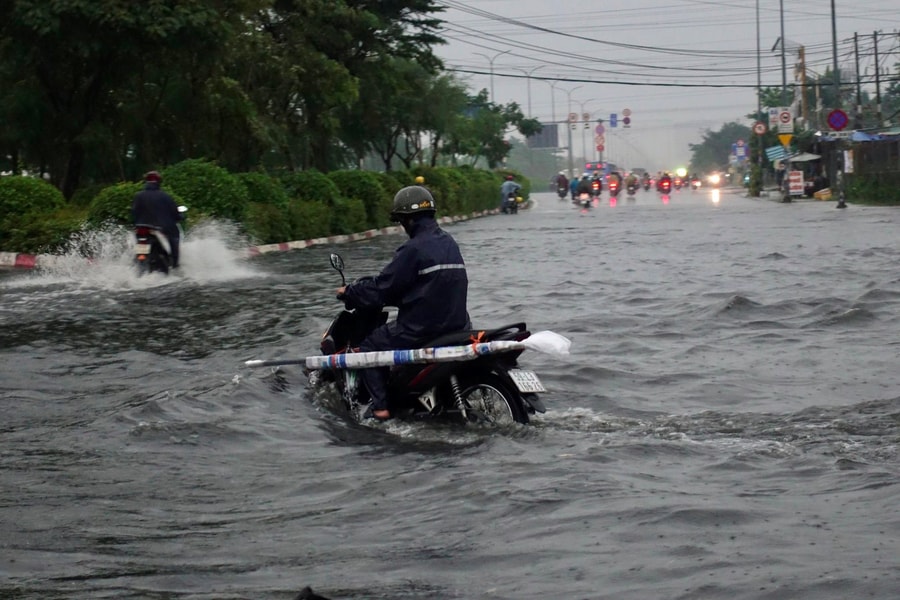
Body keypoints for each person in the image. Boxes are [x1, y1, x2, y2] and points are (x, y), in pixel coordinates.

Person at [336, 186, 469, 421]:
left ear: (407, 220)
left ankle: (381, 411)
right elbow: (423, 285)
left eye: (401, 220)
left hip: (422, 329)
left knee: (370, 347)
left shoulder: (413, 249)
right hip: (457, 324)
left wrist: (351, 292)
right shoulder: (449, 242)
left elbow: (382, 288)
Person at [131, 170, 184, 268]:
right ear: (159, 182)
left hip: (141, 229)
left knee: (139, 247)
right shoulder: (166, 197)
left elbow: (134, 213)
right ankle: (175, 264)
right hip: (162, 228)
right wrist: (180, 217)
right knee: (175, 238)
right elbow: (175, 214)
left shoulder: (138, 196)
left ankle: (137, 263)